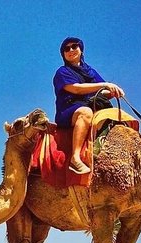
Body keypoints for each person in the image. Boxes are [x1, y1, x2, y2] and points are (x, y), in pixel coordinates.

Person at [53, 37, 125, 175]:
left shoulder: (90, 71)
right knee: (85, 112)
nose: (71, 50)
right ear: (63, 54)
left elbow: (102, 91)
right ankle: (75, 158)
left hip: (93, 107)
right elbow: (76, 89)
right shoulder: (62, 72)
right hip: (71, 110)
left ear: (81, 49)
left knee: (118, 116)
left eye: (74, 46)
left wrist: (113, 91)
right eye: (66, 49)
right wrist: (105, 85)